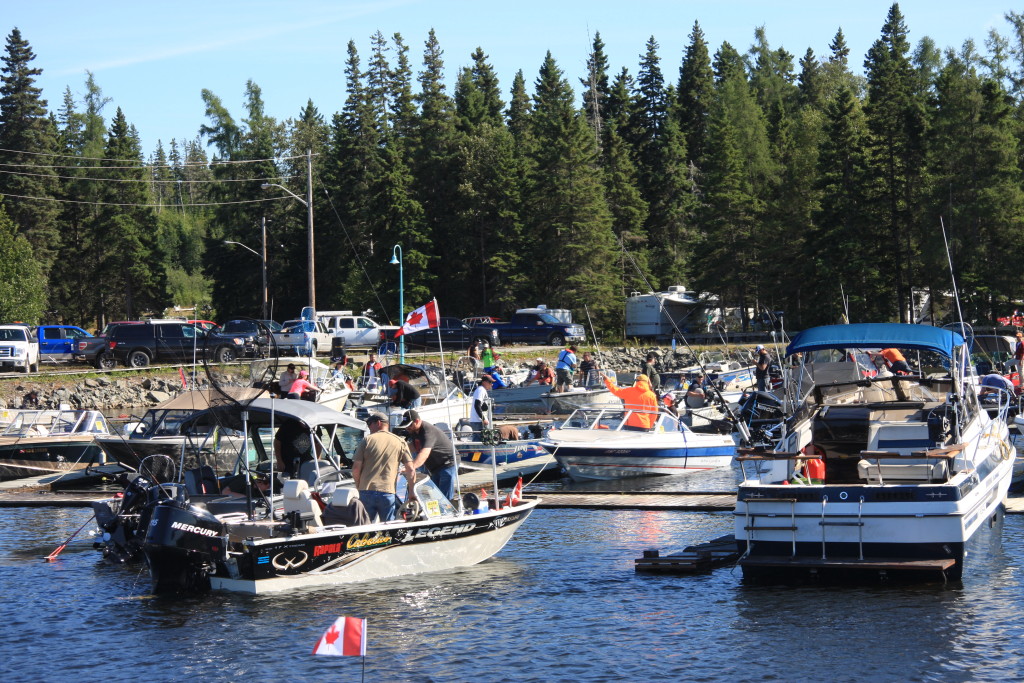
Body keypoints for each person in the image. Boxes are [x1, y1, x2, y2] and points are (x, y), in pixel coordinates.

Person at [352, 412, 417, 523]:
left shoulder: (367, 440)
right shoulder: (400, 442)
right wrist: (411, 492)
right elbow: (411, 469)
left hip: (366, 490)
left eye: (370, 424)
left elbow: (356, 469)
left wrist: (358, 486)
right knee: (388, 527)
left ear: (378, 423)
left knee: (366, 528)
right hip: (388, 492)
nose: (369, 428)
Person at [399, 410, 457, 501]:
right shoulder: (414, 431)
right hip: (434, 467)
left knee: (444, 497)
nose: (407, 428)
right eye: (406, 426)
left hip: (448, 463)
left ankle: (448, 511)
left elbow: (424, 453)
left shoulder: (427, 431)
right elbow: (413, 447)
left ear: (417, 421)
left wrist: (411, 467)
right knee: (434, 494)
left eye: (409, 425)